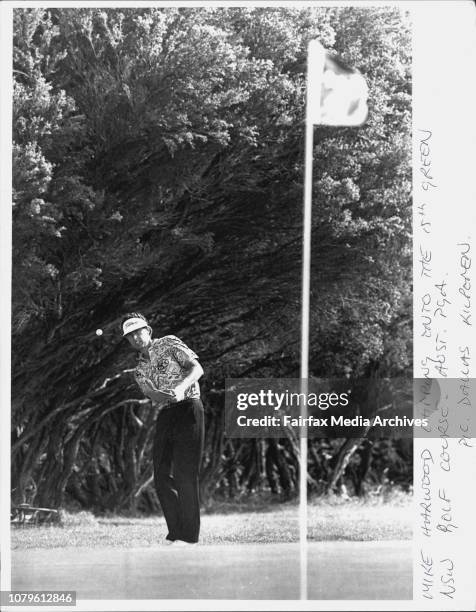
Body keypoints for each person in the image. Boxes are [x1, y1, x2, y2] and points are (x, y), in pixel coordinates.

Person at [121, 312, 204, 546]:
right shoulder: (139, 371)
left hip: (190, 407)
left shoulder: (168, 343)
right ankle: (176, 533)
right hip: (167, 413)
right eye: (131, 335)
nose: (136, 337)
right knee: (161, 476)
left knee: (185, 474)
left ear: (148, 331)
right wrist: (156, 394)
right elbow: (154, 396)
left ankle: (189, 536)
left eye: (139, 331)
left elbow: (197, 369)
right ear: (128, 341)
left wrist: (180, 388)